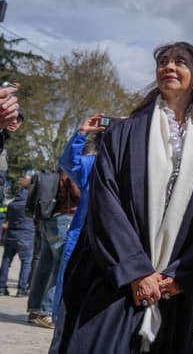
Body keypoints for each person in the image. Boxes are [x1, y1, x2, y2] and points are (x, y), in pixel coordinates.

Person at [51, 41, 193, 354]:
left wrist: (179, 274)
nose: (169, 67)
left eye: (180, 61)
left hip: (172, 286)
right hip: (117, 278)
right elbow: (105, 202)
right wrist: (137, 272)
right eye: (163, 61)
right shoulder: (124, 132)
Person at [51, 113, 108, 322]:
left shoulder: (137, 168)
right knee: (68, 307)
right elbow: (69, 162)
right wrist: (82, 133)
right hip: (82, 241)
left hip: (114, 248)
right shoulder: (92, 165)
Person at [26, 169, 79, 329]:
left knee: (43, 266)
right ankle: (47, 310)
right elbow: (77, 194)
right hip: (63, 220)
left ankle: (35, 309)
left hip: (47, 219)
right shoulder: (71, 171)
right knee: (59, 268)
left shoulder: (56, 172)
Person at [0, 171, 36, 296]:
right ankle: (21, 290)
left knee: (6, 261)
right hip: (26, 235)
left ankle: (1, 287)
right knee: (26, 262)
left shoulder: (12, 205)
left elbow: (7, 220)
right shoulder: (31, 205)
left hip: (11, 235)